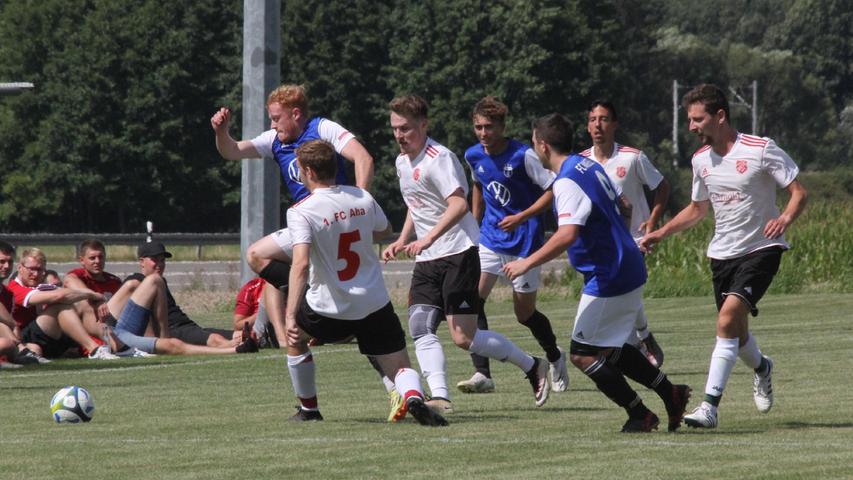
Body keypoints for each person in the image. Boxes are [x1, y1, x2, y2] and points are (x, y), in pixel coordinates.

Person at [503, 113, 691, 432]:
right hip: (621, 266)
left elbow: (567, 234)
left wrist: (526, 262)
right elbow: (625, 204)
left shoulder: (566, 182)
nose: (532, 149)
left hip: (610, 275)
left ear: (544, 146)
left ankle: (640, 414)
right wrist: (618, 236)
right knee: (608, 348)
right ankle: (670, 393)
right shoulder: (586, 165)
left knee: (582, 354)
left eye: (533, 143)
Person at [640, 84, 808, 429]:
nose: (691, 127)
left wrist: (785, 218)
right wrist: (660, 232)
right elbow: (697, 210)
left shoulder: (761, 149)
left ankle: (709, 407)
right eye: (688, 120)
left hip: (762, 248)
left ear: (720, 116)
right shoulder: (701, 160)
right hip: (722, 256)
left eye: (697, 119)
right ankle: (762, 367)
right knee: (737, 332)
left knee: (726, 320)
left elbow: (798, 193)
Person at [382, 95, 550, 414]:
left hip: (459, 253)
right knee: (419, 325)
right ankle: (441, 396)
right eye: (394, 129)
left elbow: (458, 205)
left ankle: (532, 366)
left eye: (405, 128)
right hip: (428, 258)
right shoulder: (402, 162)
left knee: (463, 336)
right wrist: (403, 239)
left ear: (424, 125)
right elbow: (416, 205)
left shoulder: (440, 158)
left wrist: (427, 238)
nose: (399, 135)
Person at [283, 139, 446, 426]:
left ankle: (309, 409)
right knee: (400, 367)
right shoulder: (362, 197)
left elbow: (300, 264)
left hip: (328, 311)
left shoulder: (301, 211)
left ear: (308, 171)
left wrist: (288, 316)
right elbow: (385, 229)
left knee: (295, 340)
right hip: (373, 304)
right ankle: (413, 396)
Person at [211, 84, 374, 323]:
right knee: (257, 255)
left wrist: (361, 203)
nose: (272, 125)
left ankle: (324, 310)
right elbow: (232, 151)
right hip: (307, 223)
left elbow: (363, 157)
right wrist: (221, 132)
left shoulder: (321, 128)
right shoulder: (274, 140)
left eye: (276, 119)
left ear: (296, 114)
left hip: (335, 221)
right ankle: (316, 302)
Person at [458, 96, 568, 394]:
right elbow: (478, 187)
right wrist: (474, 223)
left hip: (525, 243)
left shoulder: (523, 155)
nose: (483, 133)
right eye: (478, 127)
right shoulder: (473, 155)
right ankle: (482, 373)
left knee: (524, 314)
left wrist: (522, 216)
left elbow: (553, 190)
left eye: (489, 127)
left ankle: (555, 355)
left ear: (502, 126)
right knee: (471, 301)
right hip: (491, 240)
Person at [580, 100, 670, 367]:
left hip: (632, 239)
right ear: (587, 126)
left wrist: (652, 220)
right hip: (597, 244)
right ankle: (641, 340)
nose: (598, 125)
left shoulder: (632, 157)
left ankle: (633, 344)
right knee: (617, 295)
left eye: (604, 119)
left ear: (615, 124)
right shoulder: (581, 162)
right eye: (593, 119)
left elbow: (662, 186)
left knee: (623, 290)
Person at [111, 242, 258, 356]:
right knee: (215, 339)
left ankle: (254, 341)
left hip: (187, 325)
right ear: (142, 262)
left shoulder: (161, 281)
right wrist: (161, 338)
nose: (160, 264)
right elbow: (141, 317)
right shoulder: (137, 281)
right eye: (155, 260)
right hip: (175, 330)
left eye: (162, 260)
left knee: (234, 334)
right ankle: (237, 347)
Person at [7, 247, 118, 360]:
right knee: (60, 306)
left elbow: (62, 293)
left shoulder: (38, 285)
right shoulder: (15, 288)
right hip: (24, 337)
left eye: (39, 270)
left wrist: (96, 300)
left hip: (48, 336)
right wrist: (94, 295)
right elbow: (59, 295)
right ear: (20, 268)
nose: (35, 274)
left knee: (83, 305)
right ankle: (94, 349)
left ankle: (118, 347)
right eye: (31, 269)